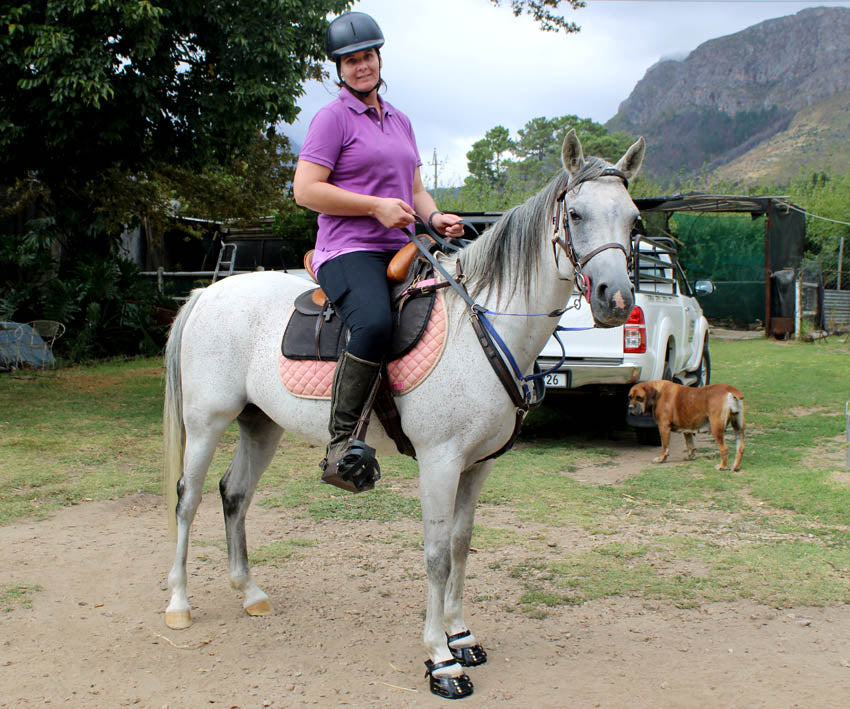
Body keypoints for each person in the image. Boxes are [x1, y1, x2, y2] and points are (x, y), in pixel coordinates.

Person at [292, 11, 464, 493]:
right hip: (349, 248)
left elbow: (416, 189)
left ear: (379, 57)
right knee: (373, 322)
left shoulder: (401, 120)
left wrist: (434, 219)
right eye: (350, 61)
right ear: (339, 69)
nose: (361, 66)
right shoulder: (332, 119)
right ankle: (341, 445)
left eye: (367, 56)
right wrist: (374, 208)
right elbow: (305, 190)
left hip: (405, 245)